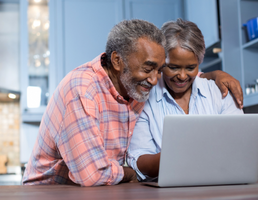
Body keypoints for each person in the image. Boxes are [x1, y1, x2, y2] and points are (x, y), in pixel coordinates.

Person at [23, 19, 243, 187]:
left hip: (102, 190)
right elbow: (92, 175)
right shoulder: (82, 90)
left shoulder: (134, 87)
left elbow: (184, 73)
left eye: (159, 69)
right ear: (118, 61)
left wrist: (214, 75)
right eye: (149, 69)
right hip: (51, 192)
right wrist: (130, 173)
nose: (156, 79)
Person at [126, 19, 244, 181]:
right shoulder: (144, 99)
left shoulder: (220, 93)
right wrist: (172, 158)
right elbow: (138, 157)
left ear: (199, 63)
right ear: (161, 62)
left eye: (190, 68)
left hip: (221, 184)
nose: (182, 76)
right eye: (173, 67)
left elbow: (241, 146)